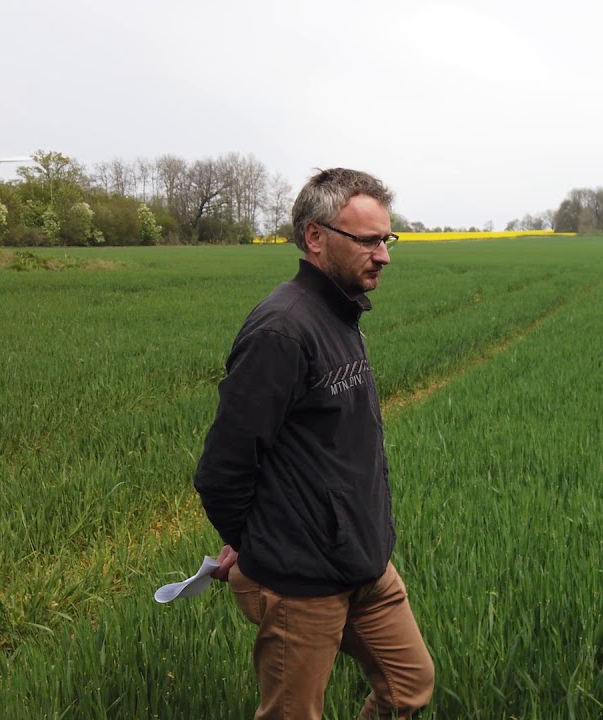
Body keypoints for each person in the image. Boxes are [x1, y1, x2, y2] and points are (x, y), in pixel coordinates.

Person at [193, 168, 434, 719]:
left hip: (366, 564)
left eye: (386, 239)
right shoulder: (282, 331)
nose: (384, 255)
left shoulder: (340, 314)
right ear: (316, 238)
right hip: (301, 582)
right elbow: (222, 469)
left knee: (410, 686)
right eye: (369, 240)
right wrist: (257, 545)